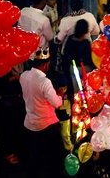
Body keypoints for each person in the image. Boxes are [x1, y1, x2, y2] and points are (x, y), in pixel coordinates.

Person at [19, 49, 66, 178]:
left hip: (30, 123)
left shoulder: (23, 76)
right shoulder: (44, 82)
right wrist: (60, 94)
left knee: (35, 156)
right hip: (46, 125)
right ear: (46, 64)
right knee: (52, 158)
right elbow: (57, 103)